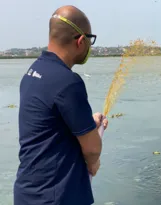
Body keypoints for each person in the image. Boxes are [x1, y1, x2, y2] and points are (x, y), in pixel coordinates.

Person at [13, 5, 108, 205]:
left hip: (27, 193)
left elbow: (49, 124)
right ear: (81, 41)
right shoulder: (68, 82)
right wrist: (94, 161)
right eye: (90, 41)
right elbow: (91, 150)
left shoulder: (34, 71)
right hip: (58, 196)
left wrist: (88, 123)